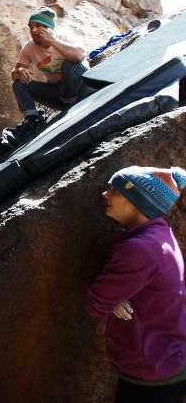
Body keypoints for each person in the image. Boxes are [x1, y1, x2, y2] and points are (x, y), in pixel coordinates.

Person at [87, 166, 186, 402]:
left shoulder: (139, 249)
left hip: (152, 369)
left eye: (116, 190)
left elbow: (96, 304)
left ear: (136, 200)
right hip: (167, 358)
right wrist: (116, 296)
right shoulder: (161, 235)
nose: (105, 194)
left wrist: (112, 299)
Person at [10, 6, 91, 131]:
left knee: (70, 64)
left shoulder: (65, 37)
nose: (33, 30)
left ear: (49, 28)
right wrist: (19, 72)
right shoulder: (29, 47)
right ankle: (34, 121)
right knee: (19, 84)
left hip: (81, 87)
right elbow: (13, 74)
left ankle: (71, 103)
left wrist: (53, 41)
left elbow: (80, 55)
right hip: (58, 94)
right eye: (31, 27)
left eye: (38, 26)